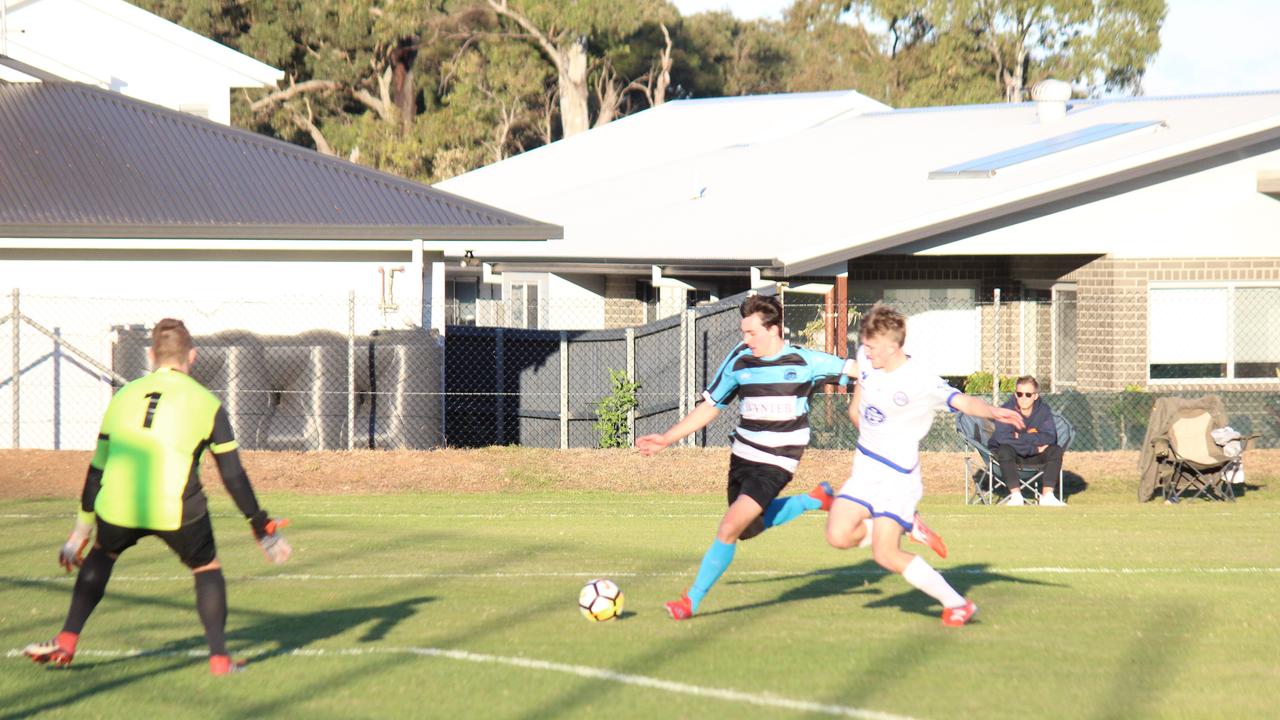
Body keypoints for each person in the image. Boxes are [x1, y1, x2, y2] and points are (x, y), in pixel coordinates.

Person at [637, 294, 946, 620]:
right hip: (742, 457)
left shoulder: (805, 362)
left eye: (751, 332)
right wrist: (666, 439)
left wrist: (907, 375)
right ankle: (816, 499)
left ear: (774, 330)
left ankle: (690, 601)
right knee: (746, 530)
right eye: (743, 332)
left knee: (728, 527)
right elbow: (711, 405)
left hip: (777, 462)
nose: (745, 339)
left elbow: (862, 369)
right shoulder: (740, 360)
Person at [23, 318, 291, 675]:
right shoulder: (206, 403)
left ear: (151, 355)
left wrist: (79, 533)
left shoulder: (122, 396)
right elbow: (233, 475)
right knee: (205, 567)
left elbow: (96, 469)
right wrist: (260, 524)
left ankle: (68, 640)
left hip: (119, 504)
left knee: (102, 554)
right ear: (192, 357)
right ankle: (219, 660)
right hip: (176, 508)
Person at [826, 303, 1025, 627]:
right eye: (865, 345)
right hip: (865, 471)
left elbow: (961, 401)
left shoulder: (920, 381)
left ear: (893, 346)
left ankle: (957, 603)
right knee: (837, 535)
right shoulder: (867, 356)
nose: (867, 352)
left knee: (885, 555)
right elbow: (857, 388)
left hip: (897, 481)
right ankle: (907, 525)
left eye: (874, 347)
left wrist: (992, 411)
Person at [989, 375, 1065, 506]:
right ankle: (1016, 496)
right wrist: (1033, 447)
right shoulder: (1005, 411)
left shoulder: (1044, 410)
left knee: (1055, 450)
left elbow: (1050, 437)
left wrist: (1020, 437)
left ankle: (1048, 496)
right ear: (1015, 394)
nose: (1023, 398)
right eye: (1019, 394)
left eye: (1028, 394)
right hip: (1012, 456)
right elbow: (1003, 438)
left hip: (1035, 456)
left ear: (1035, 396)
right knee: (1004, 449)